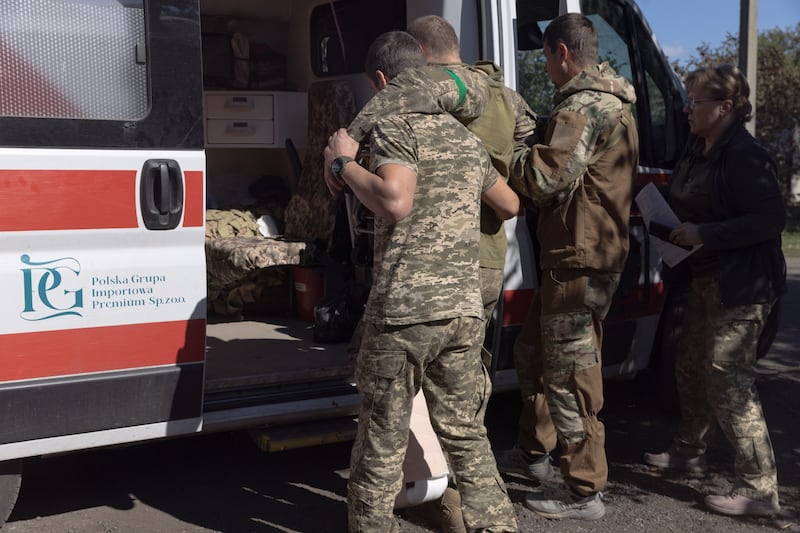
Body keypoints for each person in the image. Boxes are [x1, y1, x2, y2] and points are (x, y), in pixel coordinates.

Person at [324, 30, 519, 532]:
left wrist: (343, 162)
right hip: (461, 310)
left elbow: (395, 199)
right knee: (466, 434)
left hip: (404, 313)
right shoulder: (463, 136)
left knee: (381, 441)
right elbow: (511, 204)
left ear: (383, 81)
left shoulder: (393, 127)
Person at [495, 13, 640, 520]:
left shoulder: (582, 106)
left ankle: (584, 490)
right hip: (577, 256)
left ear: (560, 53)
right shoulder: (608, 102)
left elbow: (543, 179)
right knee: (535, 354)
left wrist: (499, 156)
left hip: (578, 259)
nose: (545, 65)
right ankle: (534, 454)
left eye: (545, 56)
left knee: (570, 373)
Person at [642, 65, 786, 517]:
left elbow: (768, 220)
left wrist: (705, 233)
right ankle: (689, 451)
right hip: (701, 277)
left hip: (741, 284)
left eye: (696, 101)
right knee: (689, 365)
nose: (687, 109)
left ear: (724, 107)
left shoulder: (745, 155)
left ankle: (760, 489)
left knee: (728, 377)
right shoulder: (700, 146)